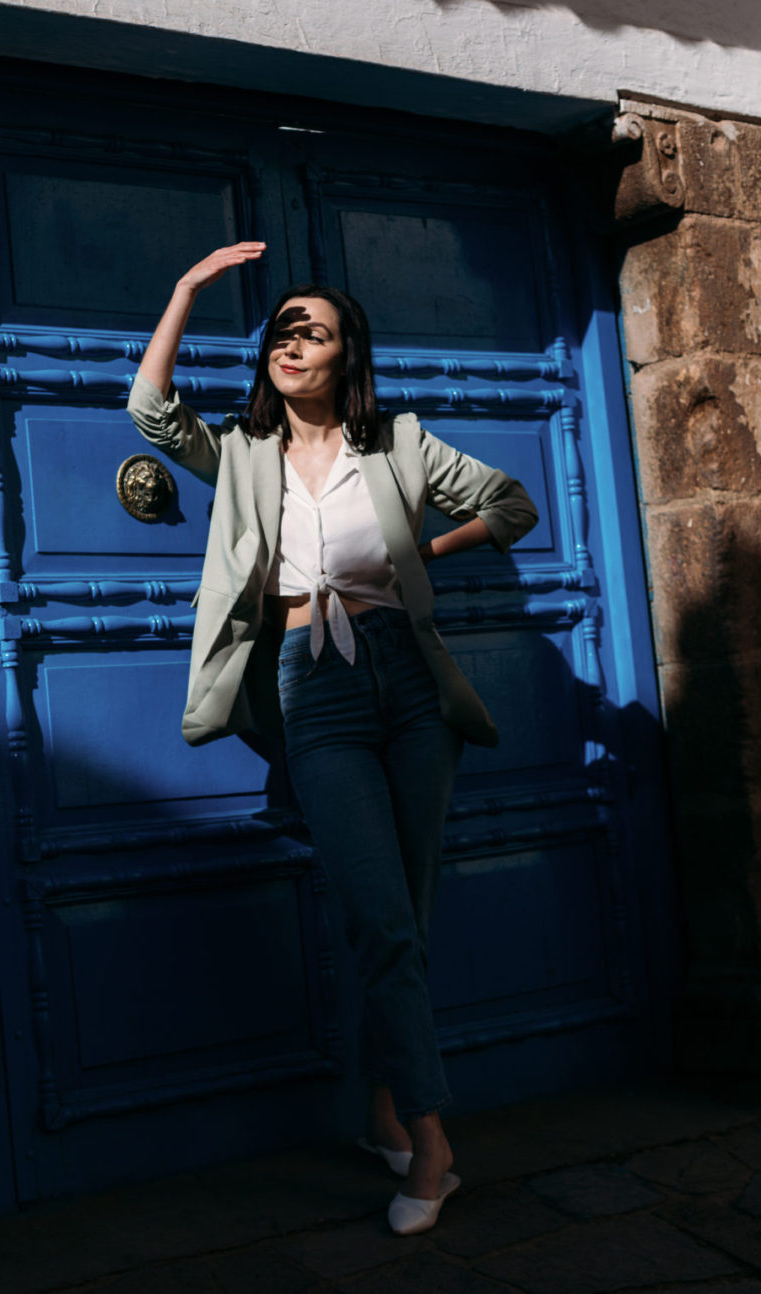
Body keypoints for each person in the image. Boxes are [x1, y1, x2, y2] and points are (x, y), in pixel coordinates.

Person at [127, 242, 538, 1234]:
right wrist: (187, 291)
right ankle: (431, 1147)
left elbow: (511, 503)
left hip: (408, 677)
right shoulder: (239, 455)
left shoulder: (397, 443)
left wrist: (415, 556)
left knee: (409, 912)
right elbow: (150, 412)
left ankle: (384, 1106)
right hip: (311, 683)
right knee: (380, 915)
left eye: (312, 330)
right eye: (280, 331)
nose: (290, 343)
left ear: (351, 354)